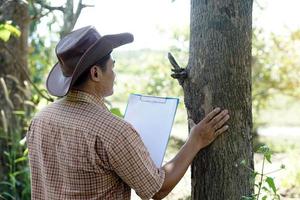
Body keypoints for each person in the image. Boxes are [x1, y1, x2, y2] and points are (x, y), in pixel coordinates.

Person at [26, 26, 230, 200]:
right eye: (112, 67)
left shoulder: (40, 119)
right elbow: (158, 189)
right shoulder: (113, 131)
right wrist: (196, 140)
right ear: (96, 73)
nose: (114, 75)